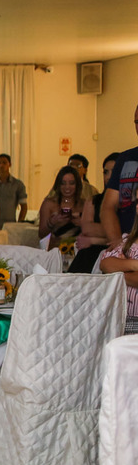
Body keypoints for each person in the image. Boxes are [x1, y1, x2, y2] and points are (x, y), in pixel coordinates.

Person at [72, 153, 119, 273]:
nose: (109, 177)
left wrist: (94, 240)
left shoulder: (130, 202)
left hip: (115, 255)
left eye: (114, 172)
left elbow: (126, 235)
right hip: (91, 252)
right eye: (105, 172)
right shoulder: (94, 200)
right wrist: (112, 232)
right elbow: (87, 228)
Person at [102, 104, 138, 247]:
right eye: (137, 122)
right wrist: (118, 244)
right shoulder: (125, 159)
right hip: (127, 245)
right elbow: (108, 206)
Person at [100, 215, 138, 334]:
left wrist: (120, 270)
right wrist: (134, 265)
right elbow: (105, 264)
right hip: (122, 320)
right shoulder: (127, 243)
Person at [38, 166, 84, 249]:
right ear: (58, 185)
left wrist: (83, 223)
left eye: (71, 183)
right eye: (63, 183)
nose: (67, 187)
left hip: (79, 249)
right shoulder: (49, 204)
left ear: (77, 185)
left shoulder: (84, 204)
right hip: (55, 250)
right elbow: (41, 234)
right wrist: (51, 222)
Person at [0, 154, 27, 227]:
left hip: (10, 224)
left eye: (4, 163)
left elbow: (24, 206)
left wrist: (19, 224)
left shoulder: (17, 184)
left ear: (9, 164)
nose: (1, 165)